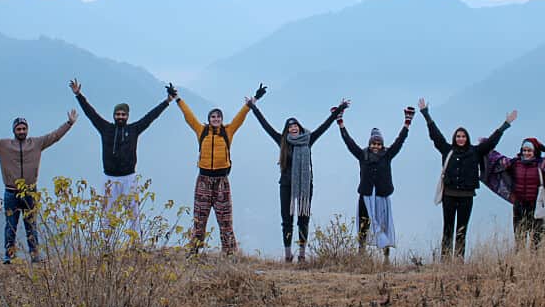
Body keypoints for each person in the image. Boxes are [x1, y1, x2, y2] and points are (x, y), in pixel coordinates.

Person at [0, 109, 77, 263]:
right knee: (11, 225)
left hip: (30, 192)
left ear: (27, 129)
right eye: (19, 129)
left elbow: (54, 136)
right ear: (14, 130)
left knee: (31, 226)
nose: (22, 131)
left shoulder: (36, 143)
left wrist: (69, 123)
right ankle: (9, 256)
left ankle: (35, 256)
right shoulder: (3, 146)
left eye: (24, 128)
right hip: (11, 192)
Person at [247, 85, 348, 262]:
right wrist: (253, 106)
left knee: (303, 219)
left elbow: (325, 125)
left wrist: (339, 109)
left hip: (305, 186)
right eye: (290, 127)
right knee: (286, 220)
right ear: (287, 130)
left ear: (300, 128)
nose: (293, 128)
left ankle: (301, 254)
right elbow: (265, 125)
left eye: (295, 126)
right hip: (286, 185)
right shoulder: (282, 141)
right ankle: (288, 254)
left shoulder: (308, 140)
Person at [69, 78, 174, 232]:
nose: (120, 117)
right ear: (113, 115)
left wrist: (167, 101)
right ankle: (106, 246)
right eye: (117, 114)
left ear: (127, 116)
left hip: (129, 178)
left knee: (134, 214)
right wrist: (79, 95)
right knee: (107, 214)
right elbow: (90, 113)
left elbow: (151, 117)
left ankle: (136, 244)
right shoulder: (105, 128)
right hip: (109, 178)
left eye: (123, 114)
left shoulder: (134, 129)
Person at [419, 98, 517, 259]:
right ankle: (445, 260)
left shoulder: (475, 152)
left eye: (463, 136)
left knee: (462, 230)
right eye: (458, 136)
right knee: (448, 229)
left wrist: (505, 124)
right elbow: (435, 136)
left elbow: (491, 142)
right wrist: (426, 115)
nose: (460, 138)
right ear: (454, 138)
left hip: (466, 196)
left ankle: (458, 261)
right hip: (449, 195)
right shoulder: (447, 150)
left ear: (467, 138)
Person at [173, 85, 252, 254]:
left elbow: (240, 118)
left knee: (225, 220)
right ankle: (193, 252)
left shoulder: (228, 131)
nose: (216, 119)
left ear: (222, 119)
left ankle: (230, 253)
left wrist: (250, 104)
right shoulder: (201, 131)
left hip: (222, 181)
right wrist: (178, 99)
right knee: (199, 219)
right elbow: (189, 117)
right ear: (208, 119)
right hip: (203, 180)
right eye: (213, 117)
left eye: (218, 117)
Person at [336, 105, 414, 261]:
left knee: (384, 225)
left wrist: (407, 123)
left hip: (381, 196)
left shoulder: (387, 155)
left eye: (378, 144)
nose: (376, 147)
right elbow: (348, 142)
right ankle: (362, 254)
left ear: (382, 145)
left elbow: (400, 141)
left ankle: (386, 257)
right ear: (369, 144)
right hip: (365, 196)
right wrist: (341, 124)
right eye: (373, 144)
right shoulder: (362, 155)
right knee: (363, 226)